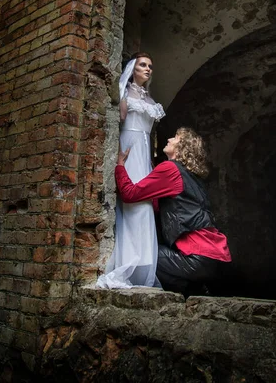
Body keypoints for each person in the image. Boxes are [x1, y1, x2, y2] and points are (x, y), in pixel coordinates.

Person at [115, 127, 231, 295]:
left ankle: (194, 290)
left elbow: (129, 194)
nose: (169, 139)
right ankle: (198, 291)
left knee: (142, 258)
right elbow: (161, 207)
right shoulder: (191, 176)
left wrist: (120, 165)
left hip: (197, 257)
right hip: (215, 257)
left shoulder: (170, 169)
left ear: (183, 147)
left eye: (176, 137)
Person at [97, 53, 165, 289]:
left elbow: (150, 132)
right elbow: (119, 120)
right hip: (129, 146)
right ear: (132, 69)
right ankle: (128, 262)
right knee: (132, 201)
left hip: (144, 151)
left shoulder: (150, 99)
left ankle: (143, 266)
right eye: (142, 65)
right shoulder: (125, 92)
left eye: (150, 65)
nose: (148, 69)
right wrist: (118, 155)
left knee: (145, 203)